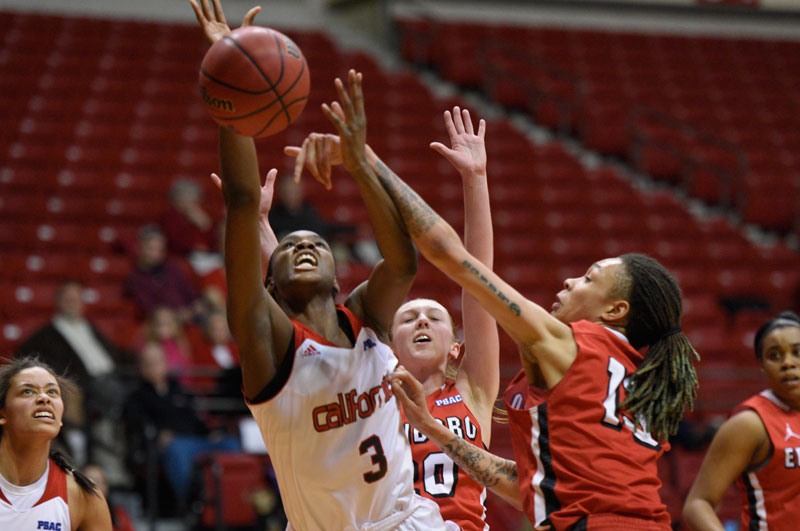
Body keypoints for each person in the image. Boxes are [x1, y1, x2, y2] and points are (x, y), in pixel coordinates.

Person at [317, 71, 699, 529]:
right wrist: (435, 430)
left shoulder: (569, 343)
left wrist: (366, 159)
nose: (571, 280)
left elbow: (451, 257)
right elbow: (528, 485)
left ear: (616, 310)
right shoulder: (635, 375)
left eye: (589, 277)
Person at [188, 1, 447, 529]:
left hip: (412, 520)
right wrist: (231, 71)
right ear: (271, 284)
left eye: (316, 243)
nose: (303, 245)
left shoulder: (366, 317)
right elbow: (240, 199)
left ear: (337, 274)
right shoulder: (269, 345)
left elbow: (403, 262)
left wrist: (359, 164)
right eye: (288, 246)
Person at [288, 107, 503, 529]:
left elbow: (481, 279)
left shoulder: (472, 391)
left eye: (434, 318)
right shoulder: (370, 400)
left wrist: (475, 180)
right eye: (408, 319)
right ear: (389, 346)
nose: (421, 321)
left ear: (456, 346)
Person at [683, 311, 800, 530]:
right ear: (762, 366)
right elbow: (697, 504)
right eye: (775, 355)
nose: (788, 363)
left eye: (797, 352)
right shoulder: (751, 422)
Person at [16, 280, 134, 480]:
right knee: (123, 403)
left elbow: (116, 355)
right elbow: (28, 359)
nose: (74, 303)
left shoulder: (91, 328)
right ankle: (111, 465)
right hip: (86, 385)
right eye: (68, 298)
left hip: (114, 379)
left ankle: (129, 461)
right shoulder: (45, 336)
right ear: (58, 302)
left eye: (77, 298)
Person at [122, 341, 240, 508]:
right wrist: (157, 435)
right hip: (167, 447)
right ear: (141, 367)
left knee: (232, 444)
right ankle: (192, 505)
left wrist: (211, 432)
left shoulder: (180, 390)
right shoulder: (136, 397)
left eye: (158, 361)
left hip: (197, 440)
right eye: (149, 363)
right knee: (177, 448)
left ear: (166, 363)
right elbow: (137, 427)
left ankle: (234, 502)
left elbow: (197, 419)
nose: (154, 367)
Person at [0, 355, 112, 529]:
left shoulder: (83, 497)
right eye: (27, 391)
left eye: (52, 391)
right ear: (2, 414)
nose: (44, 398)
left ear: (60, 418)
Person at [123, 224, 204, 322]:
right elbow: (150, 310)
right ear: (140, 247)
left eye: (160, 250)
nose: (156, 254)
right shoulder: (135, 279)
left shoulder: (172, 269)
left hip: (192, 318)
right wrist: (177, 316)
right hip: (163, 326)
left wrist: (196, 306)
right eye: (151, 249)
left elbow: (192, 295)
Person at [83, 463, 136, 531]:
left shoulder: (120, 515)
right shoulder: (73, 517)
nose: (94, 487)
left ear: (106, 487)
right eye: (89, 482)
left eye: (98, 481)